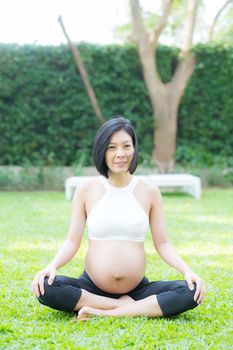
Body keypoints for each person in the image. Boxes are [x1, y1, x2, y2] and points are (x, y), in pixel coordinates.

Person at [32, 116, 206, 321]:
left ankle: (103, 312)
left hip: (137, 290)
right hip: (91, 289)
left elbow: (163, 243)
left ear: (134, 149)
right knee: (45, 287)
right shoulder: (87, 189)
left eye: (126, 146)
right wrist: (51, 266)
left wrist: (187, 271)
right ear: (102, 150)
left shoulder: (149, 190)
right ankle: (124, 307)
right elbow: (72, 241)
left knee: (190, 291)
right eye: (112, 147)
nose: (120, 154)